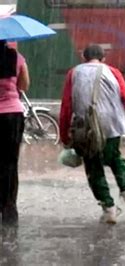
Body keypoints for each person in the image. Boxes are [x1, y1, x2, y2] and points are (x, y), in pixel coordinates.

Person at [59, 44, 125, 224]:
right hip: (111, 124)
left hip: (86, 128)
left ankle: (108, 208)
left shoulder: (74, 73)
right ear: (103, 58)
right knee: (115, 157)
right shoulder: (113, 71)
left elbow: (66, 105)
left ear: (84, 57)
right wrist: (120, 110)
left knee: (93, 166)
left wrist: (64, 136)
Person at [0, 40, 29, 226]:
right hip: (12, 115)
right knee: (9, 163)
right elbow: (25, 85)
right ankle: (9, 209)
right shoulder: (16, 57)